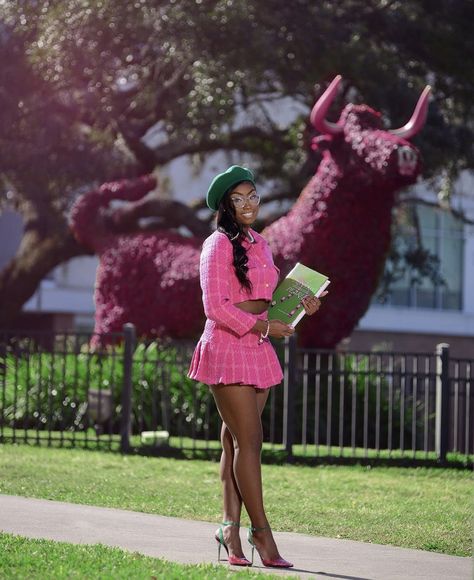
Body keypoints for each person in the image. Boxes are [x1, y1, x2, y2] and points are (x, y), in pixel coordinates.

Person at [187, 165, 325, 568]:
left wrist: (301, 305)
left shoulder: (260, 243)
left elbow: (268, 297)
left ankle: (230, 529)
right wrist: (262, 324)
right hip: (228, 345)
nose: (248, 204)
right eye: (238, 198)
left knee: (233, 443)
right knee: (251, 442)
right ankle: (261, 535)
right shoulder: (217, 244)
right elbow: (214, 306)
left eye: (253, 196)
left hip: (259, 346)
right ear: (225, 205)